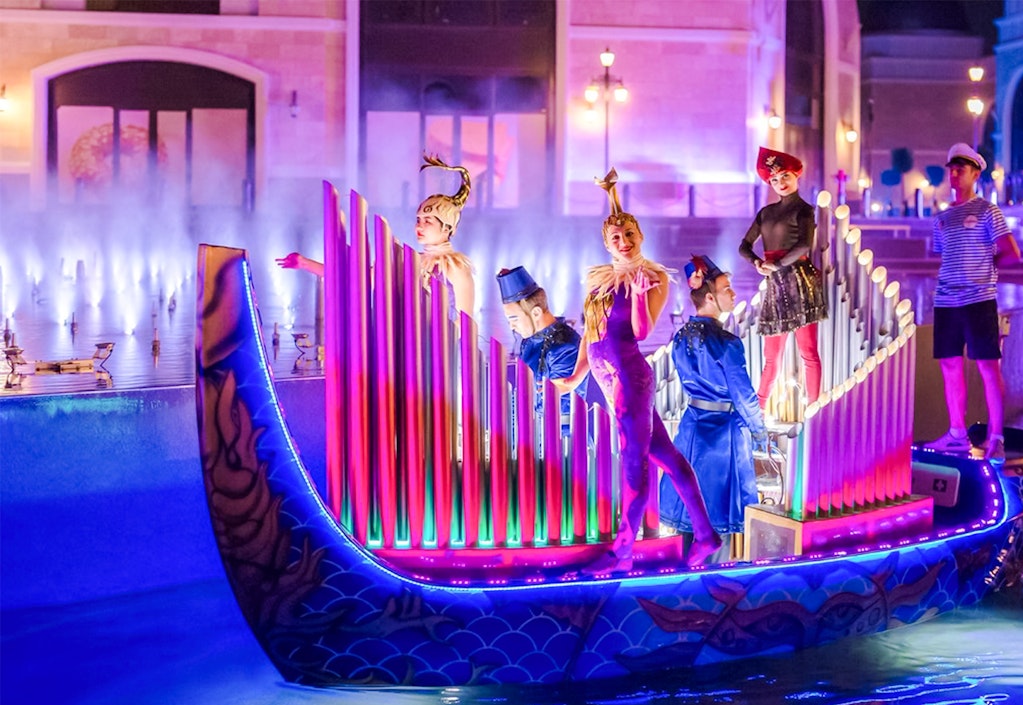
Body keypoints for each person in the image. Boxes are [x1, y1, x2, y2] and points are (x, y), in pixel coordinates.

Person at [553, 169, 721, 573]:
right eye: (616, 237)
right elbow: (589, 333)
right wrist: (577, 376)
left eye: (630, 235)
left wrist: (642, 296)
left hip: (631, 378)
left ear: (641, 237)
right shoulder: (599, 281)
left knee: (635, 460)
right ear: (606, 243)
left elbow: (643, 331)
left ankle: (623, 550)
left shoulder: (653, 277)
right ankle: (706, 535)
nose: (624, 242)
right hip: (609, 381)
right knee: (665, 456)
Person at [658, 255, 766, 563]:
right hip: (722, 436)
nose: (733, 294)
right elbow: (743, 395)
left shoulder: (679, 338)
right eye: (727, 288)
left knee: (688, 518)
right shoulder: (727, 343)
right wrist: (760, 430)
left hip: (691, 429)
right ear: (709, 297)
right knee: (718, 522)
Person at [277, 154, 477, 318]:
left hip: (443, 355)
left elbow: (465, 323)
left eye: (428, 221)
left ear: (447, 228)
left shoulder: (455, 266)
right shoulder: (409, 261)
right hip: (411, 351)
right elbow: (356, 278)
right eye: (418, 219)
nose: (419, 226)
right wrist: (305, 264)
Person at [925, 143, 1021, 464]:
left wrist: (985, 269)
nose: (954, 174)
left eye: (961, 169)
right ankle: (956, 433)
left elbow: (1011, 252)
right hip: (947, 302)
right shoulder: (941, 218)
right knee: (950, 366)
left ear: (975, 174)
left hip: (979, 300)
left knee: (987, 367)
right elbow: (943, 256)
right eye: (951, 169)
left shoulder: (987, 211)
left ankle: (997, 436)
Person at [738, 147, 828, 410]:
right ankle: (759, 412)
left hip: (800, 280)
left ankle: (814, 410)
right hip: (775, 285)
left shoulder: (804, 210)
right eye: (774, 180)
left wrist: (775, 264)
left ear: (796, 176)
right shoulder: (766, 213)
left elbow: (804, 246)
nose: (780, 183)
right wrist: (757, 262)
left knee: (808, 352)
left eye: (785, 176)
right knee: (771, 356)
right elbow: (744, 245)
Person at [496, 265, 605, 425]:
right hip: (534, 436)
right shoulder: (529, 341)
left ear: (536, 313)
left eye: (514, 318)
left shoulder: (564, 347)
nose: (511, 326)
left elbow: (560, 408)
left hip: (561, 441)